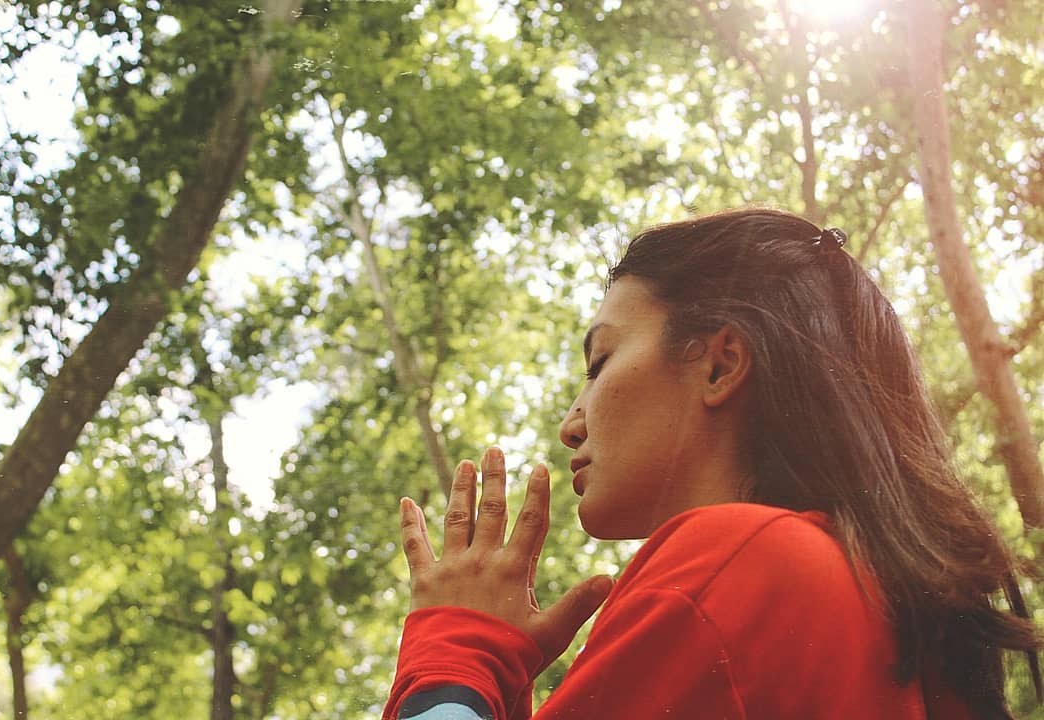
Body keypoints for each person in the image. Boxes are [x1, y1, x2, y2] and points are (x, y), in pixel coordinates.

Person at [382, 208, 1042, 719]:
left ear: (721, 364)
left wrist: (456, 647)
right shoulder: (867, 596)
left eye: (600, 361)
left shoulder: (740, 563)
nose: (571, 421)